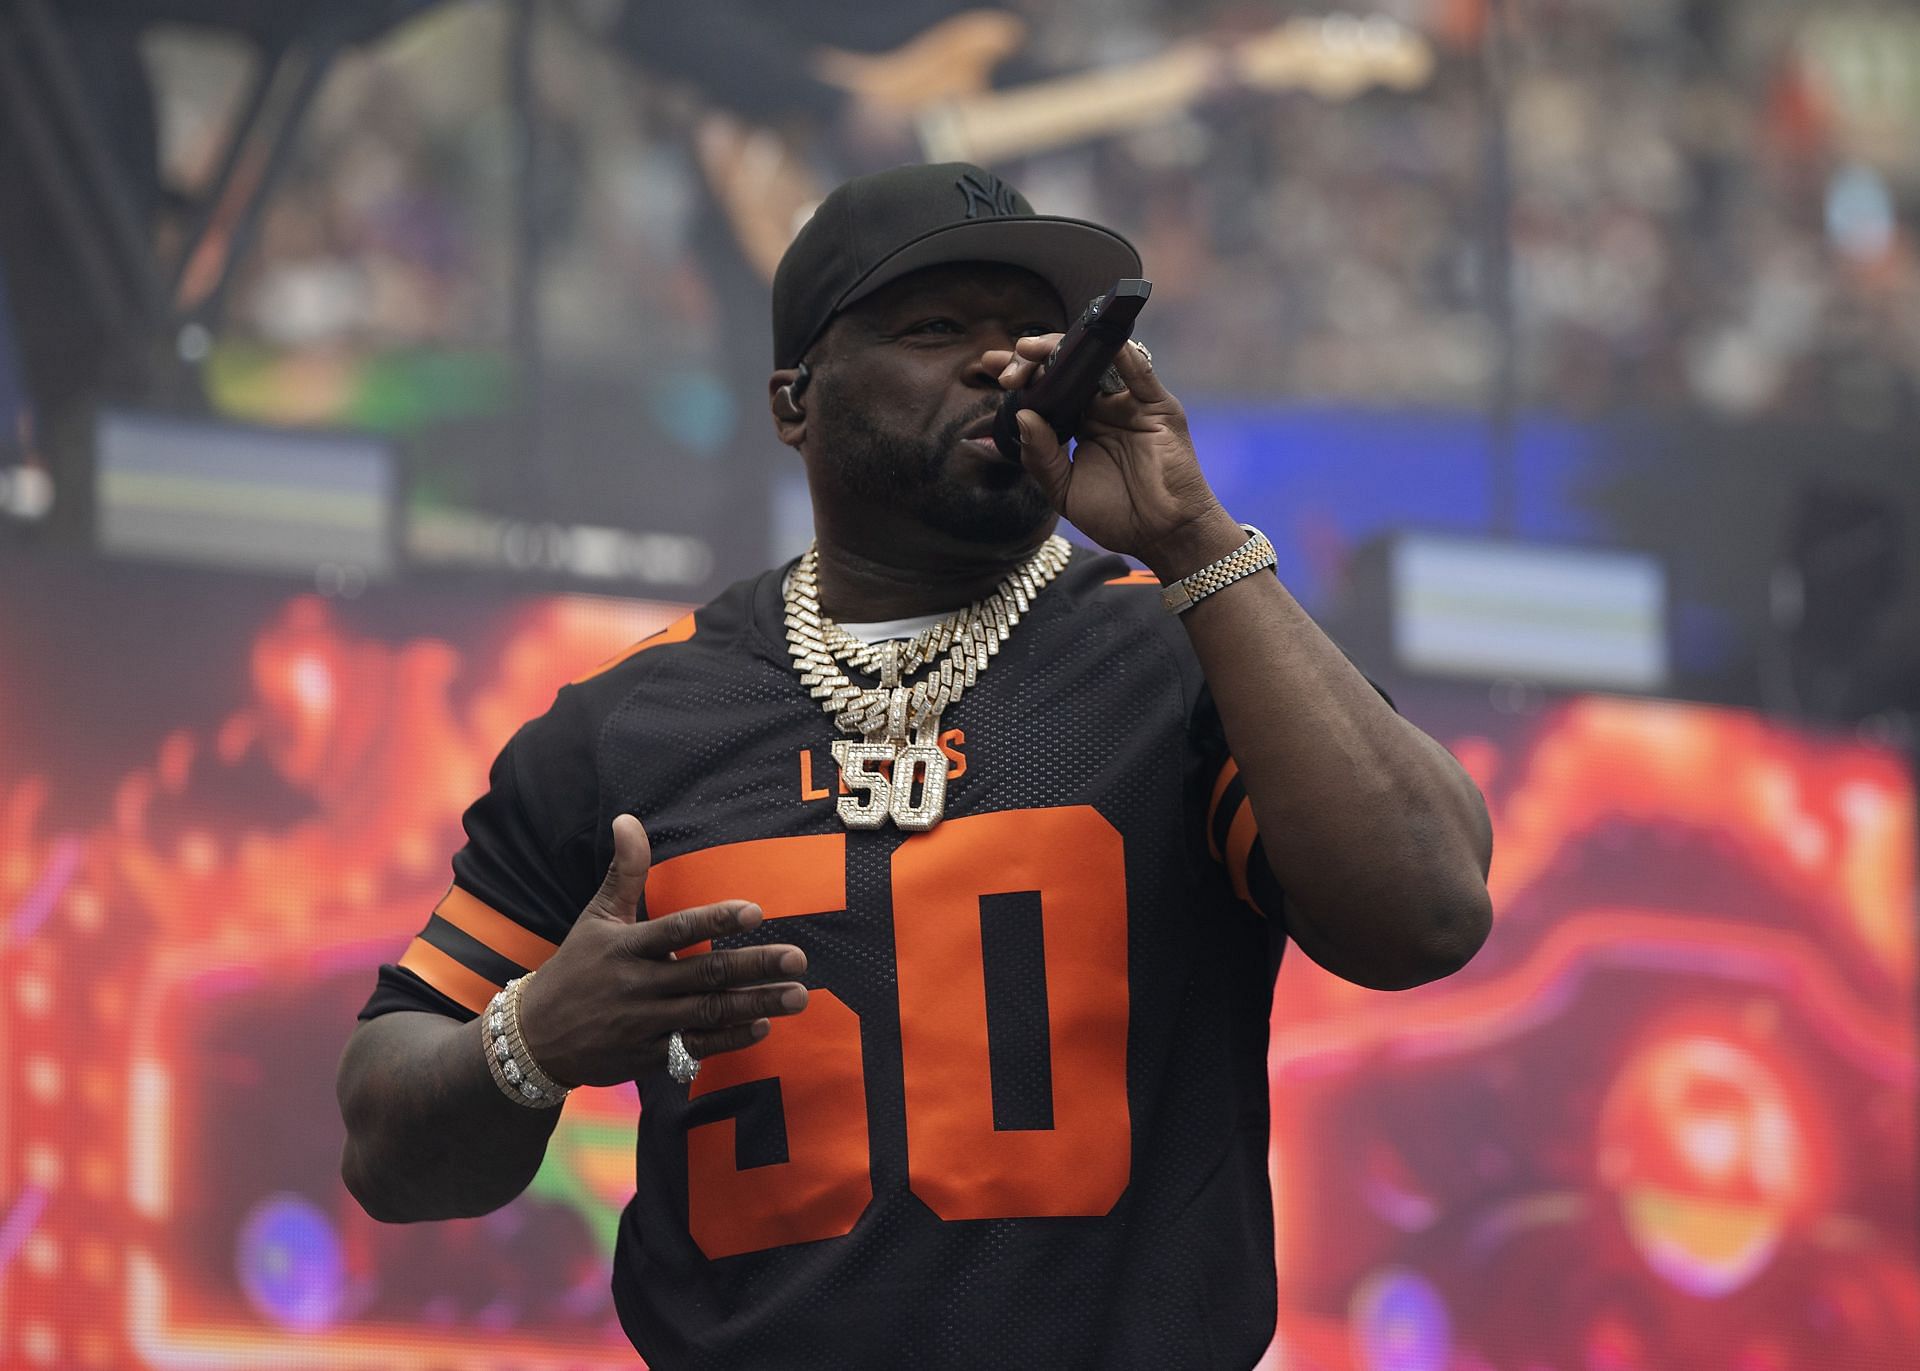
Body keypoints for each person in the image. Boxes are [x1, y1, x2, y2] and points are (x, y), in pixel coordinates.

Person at [337, 161, 1494, 1369]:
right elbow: (385, 1141)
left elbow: (1427, 919)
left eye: (1036, 336)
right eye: (938, 329)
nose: (1007, 367)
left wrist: (1195, 539)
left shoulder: (1192, 653)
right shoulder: (628, 724)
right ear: (795, 401)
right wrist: (536, 1034)